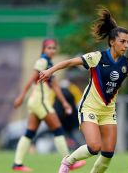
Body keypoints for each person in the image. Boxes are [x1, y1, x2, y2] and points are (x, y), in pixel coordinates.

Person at [39, 8, 128, 173]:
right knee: (94, 146)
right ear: (112, 42)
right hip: (89, 108)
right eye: (122, 41)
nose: (126, 45)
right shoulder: (97, 57)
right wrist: (49, 71)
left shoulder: (127, 64)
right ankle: (68, 161)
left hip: (108, 112)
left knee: (108, 154)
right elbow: (68, 63)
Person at [12, 39, 86, 172]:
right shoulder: (42, 62)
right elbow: (31, 80)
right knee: (58, 130)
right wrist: (21, 96)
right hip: (41, 102)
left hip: (36, 102)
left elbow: (55, 87)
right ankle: (69, 162)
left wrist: (64, 103)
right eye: (49, 48)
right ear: (43, 49)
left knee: (30, 133)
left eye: (53, 48)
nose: (51, 50)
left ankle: (17, 164)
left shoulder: (49, 63)